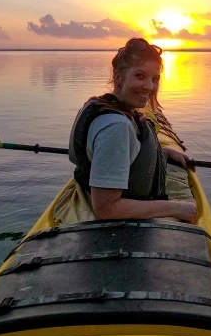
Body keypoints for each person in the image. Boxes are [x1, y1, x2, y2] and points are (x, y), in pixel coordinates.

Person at [65, 37, 198, 223]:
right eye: (140, 76)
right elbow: (106, 209)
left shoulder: (108, 105)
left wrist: (163, 152)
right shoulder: (116, 127)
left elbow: (126, 150)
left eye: (155, 79)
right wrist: (177, 207)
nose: (150, 87)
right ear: (119, 77)